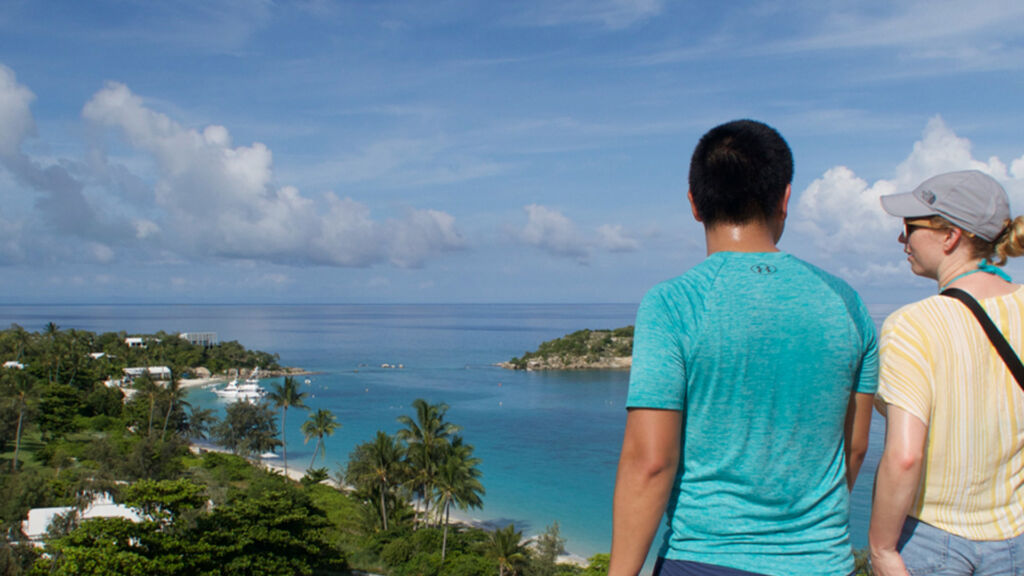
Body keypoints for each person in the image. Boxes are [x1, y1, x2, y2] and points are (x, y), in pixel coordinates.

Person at [609, 119, 878, 576]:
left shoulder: (674, 303)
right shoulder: (847, 302)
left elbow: (651, 462)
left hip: (704, 558)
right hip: (822, 562)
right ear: (785, 199)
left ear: (694, 203)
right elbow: (854, 448)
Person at [870, 170, 1024, 576]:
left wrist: (882, 550)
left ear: (950, 236)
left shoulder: (912, 325)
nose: (902, 239)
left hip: (934, 539)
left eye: (910, 227)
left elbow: (905, 457)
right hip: (1015, 537)